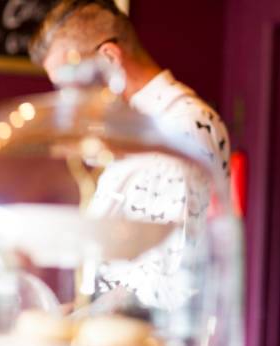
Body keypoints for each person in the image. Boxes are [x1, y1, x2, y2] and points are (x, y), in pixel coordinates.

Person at [29, 0, 230, 309]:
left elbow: (171, 282)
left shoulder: (181, 129)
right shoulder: (132, 128)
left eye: (69, 83)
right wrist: (78, 312)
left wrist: (88, 319)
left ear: (109, 58)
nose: (69, 100)